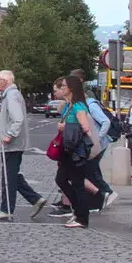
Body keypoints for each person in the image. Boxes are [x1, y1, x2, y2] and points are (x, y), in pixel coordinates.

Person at [0, 70, 49, 221]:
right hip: (13, 144)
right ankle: (35, 199)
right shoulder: (11, 95)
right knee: (11, 175)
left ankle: (6, 209)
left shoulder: (11, 96)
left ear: (5, 81)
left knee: (8, 177)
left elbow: (18, 119)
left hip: (12, 144)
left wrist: (9, 134)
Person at [50, 72, 101, 229]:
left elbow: (85, 128)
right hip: (68, 149)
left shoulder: (79, 106)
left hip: (76, 151)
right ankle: (78, 211)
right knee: (61, 180)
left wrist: (65, 128)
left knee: (77, 184)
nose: (61, 88)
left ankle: (82, 217)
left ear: (71, 88)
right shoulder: (69, 105)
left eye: (64, 86)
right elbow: (60, 109)